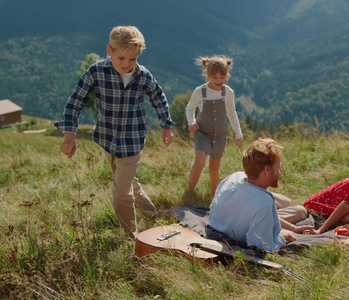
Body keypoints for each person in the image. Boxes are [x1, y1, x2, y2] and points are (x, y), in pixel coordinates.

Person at [55, 26, 175, 238]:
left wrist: (166, 124)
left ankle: (132, 237)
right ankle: (151, 213)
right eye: (121, 58)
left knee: (120, 194)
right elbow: (75, 101)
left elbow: (158, 97)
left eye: (132, 59)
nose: (127, 64)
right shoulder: (96, 72)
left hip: (133, 140)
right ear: (109, 50)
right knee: (128, 182)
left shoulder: (143, 75)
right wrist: (69, 135)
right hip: (108, 139)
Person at [207, 138, 313, 253]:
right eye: (278, 166)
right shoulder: (263, 202)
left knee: (296, 208)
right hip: (239, 227)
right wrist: (282, 236)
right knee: (300, 211)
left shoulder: (234, 177)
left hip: (223, 224)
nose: (281, 170)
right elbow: (260, 246)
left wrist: (293, 228)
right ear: (266, 170)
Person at [185, 55, 243, 197]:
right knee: (199, 161)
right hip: (202, 132)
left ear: (227, 75)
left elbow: (232, 113)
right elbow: (189, 108)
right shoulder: (200, 92)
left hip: (220, 135)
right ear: (207, 74)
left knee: (214, 167)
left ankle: (213, 196)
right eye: (214, 77)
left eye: (222, 77)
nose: (219, 81)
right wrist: (191, 122)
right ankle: (189, 191)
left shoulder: (228, 92)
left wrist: (238, 133)